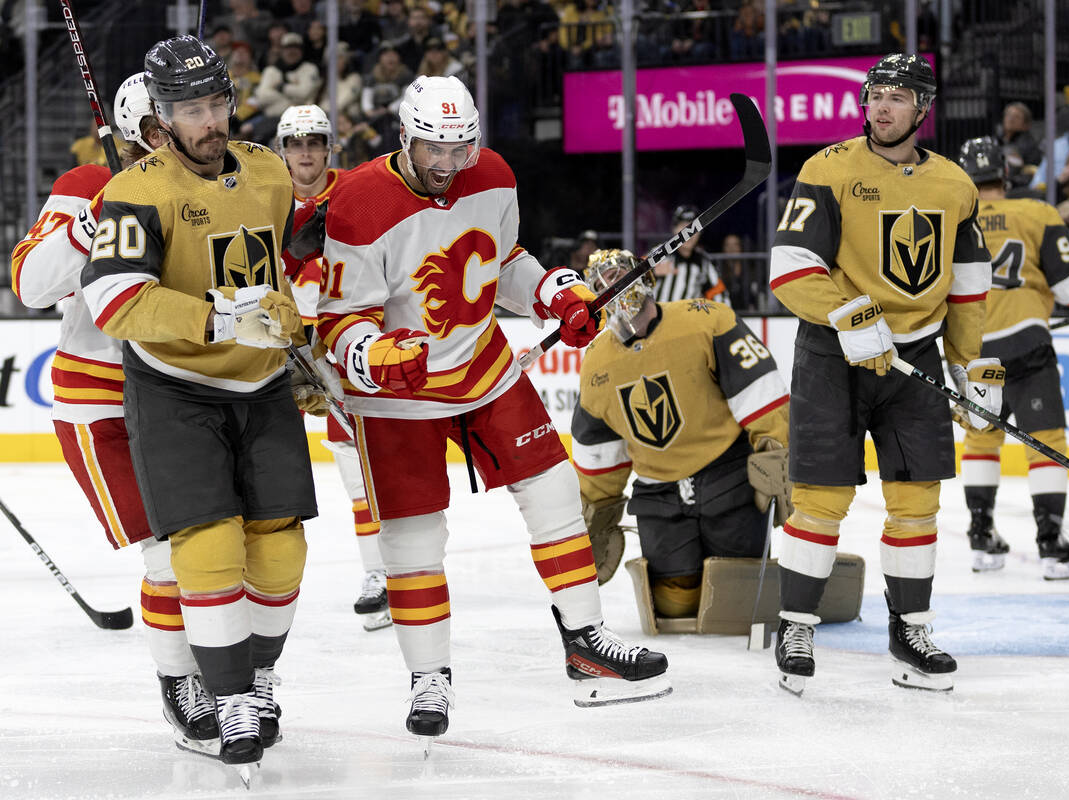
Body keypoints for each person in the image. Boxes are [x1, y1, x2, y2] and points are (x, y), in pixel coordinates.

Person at [316, 75, 670, 743]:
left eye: (460, 149)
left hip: (482, 365)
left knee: (556, 490)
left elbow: (501, 260)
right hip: (396, 392)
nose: (448, 165)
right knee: (413, 537)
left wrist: (555, 294)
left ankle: (586, 639)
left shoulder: (494, 175)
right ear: (404, 137)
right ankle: (428, 677)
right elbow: (339, 322)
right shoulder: (359, 202)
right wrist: (377, 354)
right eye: (432, 150)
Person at [80, 35, 318, 769]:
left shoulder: (271, 172)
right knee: (208, 546)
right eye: (190, 109)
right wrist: (216, 319)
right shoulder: (133, 191)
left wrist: (299, 323)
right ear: (162, 117)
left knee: (281, 551)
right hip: (174, 388)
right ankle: (228, 694)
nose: (208, 121)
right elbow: (112, 299)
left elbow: (293, 259)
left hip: (263, 382)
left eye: (216, 104)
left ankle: (260, 677)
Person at [767, 53, 997, 695]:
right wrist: (847, 315)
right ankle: (797, 625)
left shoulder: (954, 185)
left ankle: (911, 628)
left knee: (917, 500)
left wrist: (970, 365)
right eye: (875, 96)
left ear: (924, 109)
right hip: (831, 354)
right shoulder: (828, 168)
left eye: (898, 98)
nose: (882, 108)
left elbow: (968, 287)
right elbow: (788, 266)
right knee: (821, 498)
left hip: (914, 356)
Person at [9, 71, 218, 756]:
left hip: (183, 390)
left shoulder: (213, 182)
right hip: (99, 398)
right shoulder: (82, 186)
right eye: (155, 133)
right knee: (167, 552)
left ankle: (233, 675)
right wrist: (93, 224)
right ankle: (181, 681)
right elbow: (32, 285)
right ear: (134, 135)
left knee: (222, 544)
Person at [571, 248, 790, 619]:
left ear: (647, 280)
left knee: (736, 599)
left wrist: (778, 452)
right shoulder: (596, 364)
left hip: (729, 480)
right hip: (660, 497)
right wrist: (598, 512)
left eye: (620, 277)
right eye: (603, 285)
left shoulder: (707, 321)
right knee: (676, 608)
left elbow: (761, 393)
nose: (615, 289)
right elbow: (599, 452)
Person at [956, 138, 1069, 579]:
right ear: (1005, 173)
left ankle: (982, 537)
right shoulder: (1036, 213)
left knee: (982, 439)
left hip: (973, 349)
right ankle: (1051, 544)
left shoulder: (953, 224)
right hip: (1026, 344)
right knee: (1046, 439)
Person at [274, 104, 389, 626]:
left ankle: (382, 574)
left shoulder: (355, 192)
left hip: (345, 336)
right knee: (262, 459)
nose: (305, 152)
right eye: (295, 143)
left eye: (314, 142)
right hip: (283, 343)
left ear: (329, 147)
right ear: (283, 149)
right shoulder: (265, 196)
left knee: (357, 458)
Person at [653, 204, 727, 303]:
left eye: (693, 229)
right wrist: (651, 274)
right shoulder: (659, 253)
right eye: (683, 227)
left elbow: (720, 296)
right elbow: (634, 281)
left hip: (686, 317)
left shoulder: (704, 262)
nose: (688, 234)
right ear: (674, 229)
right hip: (658, 317)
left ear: (700, 233)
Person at [994, 101, 1041, 187]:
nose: (1011, 119)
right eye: (1008, 115)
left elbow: (1032, 172)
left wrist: (1011, 183)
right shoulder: (996, 140)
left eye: (1016, 117)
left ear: (1026, 125)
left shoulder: (1029, 146)